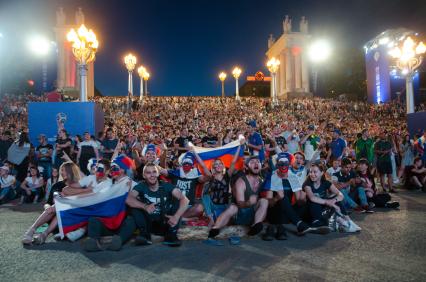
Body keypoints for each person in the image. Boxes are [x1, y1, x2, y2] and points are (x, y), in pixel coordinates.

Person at [206, 156, 269, 243]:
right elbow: (240, 204)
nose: (256, 163)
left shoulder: (262, 181)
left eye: (258, 161)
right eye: (252, 162)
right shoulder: (241, 181)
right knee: (233, 207)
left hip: (253, 215)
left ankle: (255, 227)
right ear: (246, 167)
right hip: (239, 214)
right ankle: (214, 230)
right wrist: (249, 203)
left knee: (264, 201)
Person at [125, 163, 189, 247]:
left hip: (166, 222)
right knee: (134, 206)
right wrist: (145, 206)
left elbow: (185, 200)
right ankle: (145, 235)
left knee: (179, 201)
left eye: (154, 172)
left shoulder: (166, 186)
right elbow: (128, 199)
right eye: (148, 173)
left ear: (158, 173)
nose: (152, 175)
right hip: (149, 223)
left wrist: (176, 216)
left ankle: (171, 236)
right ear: (144, 175)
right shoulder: (141, 186)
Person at [82, 157, 137, 252]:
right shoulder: (108, 184)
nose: (111, 171)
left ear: (123, 169)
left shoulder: (133, 185)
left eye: (114, 168)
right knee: (93, 219)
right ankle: (93, 241)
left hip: (122, 223)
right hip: (108, 221)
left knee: (132, 221)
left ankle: (118, 240)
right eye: (110, 169)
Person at [21, 162, 81, 245]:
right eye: (61, 170)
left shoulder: (80, 185)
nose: (62, 173)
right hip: (53, 216)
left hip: (71, 217)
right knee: (55, 207)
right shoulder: (57, 185)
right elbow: (48, 202)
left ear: (72, 171)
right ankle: (34, 231)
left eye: (64, 170)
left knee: (60, 206)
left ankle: (40, 233)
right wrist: (47, 207)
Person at [262, 153, 316, 240]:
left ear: (289, 164)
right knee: (284, 198)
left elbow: (298, 201)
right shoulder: (271, 176)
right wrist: (277, 198)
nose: (283, 166)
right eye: (281, 164)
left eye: (286, 163)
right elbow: (268, 204)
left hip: (287, 213)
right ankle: (298, 224)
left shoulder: (292, 177)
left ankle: (316, 222)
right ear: (277, 165)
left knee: (306, 202)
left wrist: (303, 198)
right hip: (273, 213)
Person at [303, 162, 361, 233]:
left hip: (322, 209)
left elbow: (340, 194)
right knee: (314, 202)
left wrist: (334, 200)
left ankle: (349, 222)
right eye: (311, 172)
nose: (312, 174)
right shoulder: (307, 183)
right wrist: (330, 203)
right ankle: (341, 224)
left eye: (315, 172)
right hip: (310, 210)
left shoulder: (325, 182)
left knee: (336, 200)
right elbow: (312, 198)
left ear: (321, 173)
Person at [202, 139, 243, 227]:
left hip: (223, 206)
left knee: (225, 222)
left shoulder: (227, 175)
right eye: (216, 164)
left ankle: (215, 223)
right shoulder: (211, 176)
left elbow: (233, 162)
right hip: (212, 206)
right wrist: (194, 151)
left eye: (220, 163)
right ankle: (210, 218)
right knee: (205, 197)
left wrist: (239, 145)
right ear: (213, 167)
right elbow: (202, 165)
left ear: (223, 166)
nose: (219, 165)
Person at [160, 148, 211, 219]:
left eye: (189, 163)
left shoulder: (195, 175)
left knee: (200, 208)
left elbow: (209, 176)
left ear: (192, 165)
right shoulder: (175, 173)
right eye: (185, 162)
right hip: (174, 205)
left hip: (188, 206)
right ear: (182, 163)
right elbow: (161, 170)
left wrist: (196, 156)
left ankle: (178, 218)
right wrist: (156, 159)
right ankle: (182, 218)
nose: (187, 165)